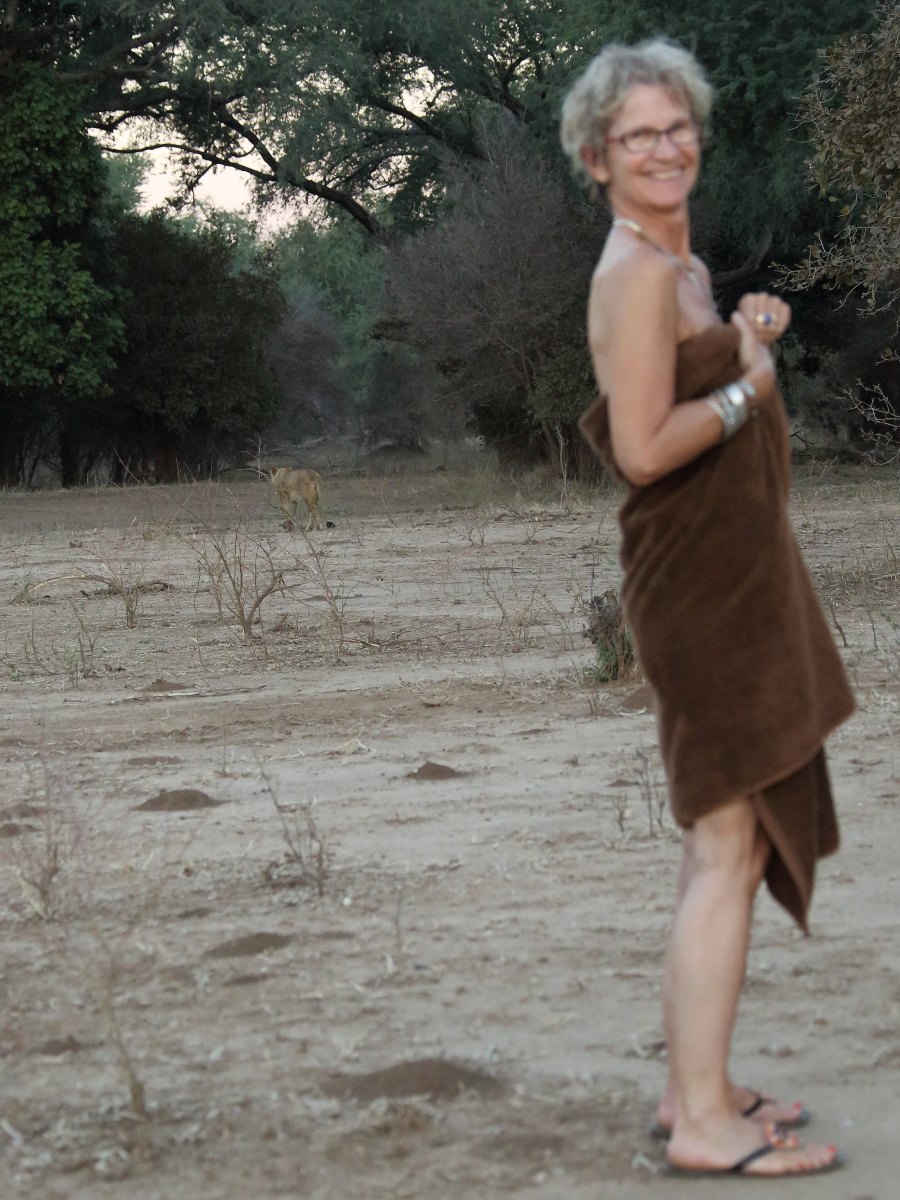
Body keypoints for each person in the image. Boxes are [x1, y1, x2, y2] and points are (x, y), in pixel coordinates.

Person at [560, 40, 855, 1179]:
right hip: (696, 584)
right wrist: (749, 387)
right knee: (728, 844)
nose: (665, 147)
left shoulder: (674, 261)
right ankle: (700, 1125)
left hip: (729, 572)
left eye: (677, 125)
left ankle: (702, 1084)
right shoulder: (636, 273)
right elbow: (642, 449)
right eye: (638, 134)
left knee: (718, 843)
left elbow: (686, 374)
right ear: (598, 157)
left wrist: (746, 338)